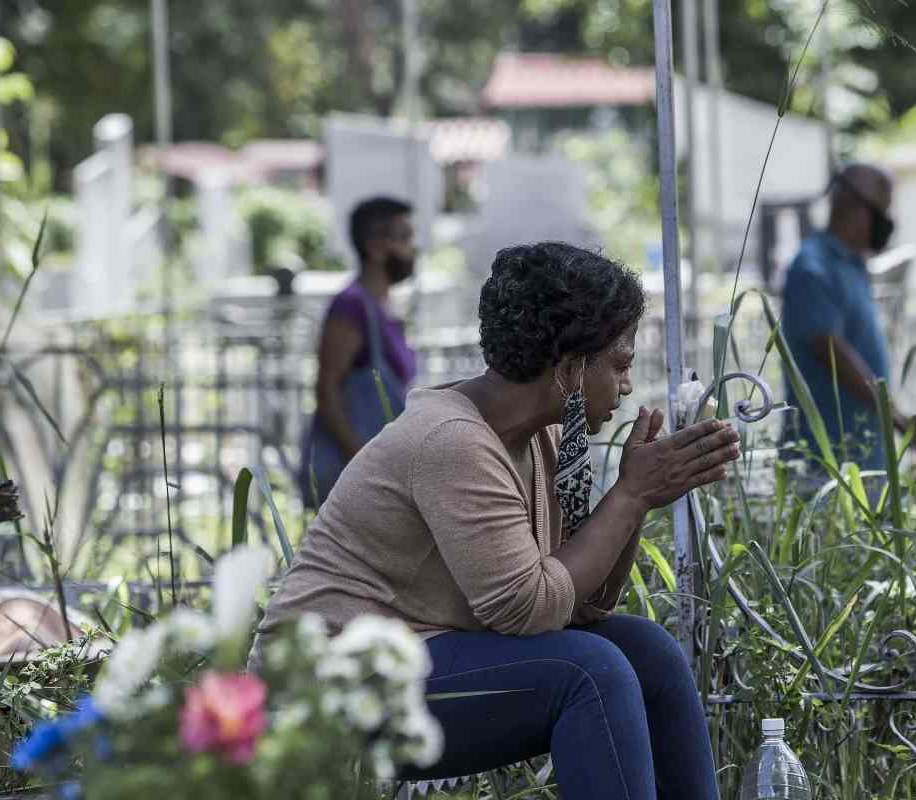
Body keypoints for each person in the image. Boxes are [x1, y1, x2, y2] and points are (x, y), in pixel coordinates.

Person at [256, 242, 739, 799]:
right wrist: (629, 496)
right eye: (620, 364)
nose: (627, 386)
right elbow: (529, 610)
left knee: (648, 652)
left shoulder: (544, 436)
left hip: (419, 656)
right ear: (569, 368)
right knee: (591, 672)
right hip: (321, 691)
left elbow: (581, 604)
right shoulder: (454, 441)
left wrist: (638, 499)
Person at [780, 163, 916, 470]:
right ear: (856, 207)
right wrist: (895, 418)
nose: (887, 224)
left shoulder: (852, 265)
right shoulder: (813, 269)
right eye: (882, 213)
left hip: (860, 460)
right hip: (826, 465)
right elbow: (832, 352)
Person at [298, 196, 418, 506]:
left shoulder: (383, 308)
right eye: (404, 237)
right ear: (376, 246)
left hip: (380, 470)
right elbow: (327, 391)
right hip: (356, 476)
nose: (412, 248)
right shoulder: (351, 306)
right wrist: (362, 463)